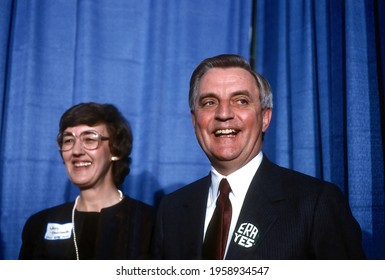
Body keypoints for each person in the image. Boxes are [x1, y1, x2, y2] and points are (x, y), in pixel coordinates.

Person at [152, 54, 365, 259]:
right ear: (194, 120)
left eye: (241, 101)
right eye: (209, 102)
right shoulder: (170, 211)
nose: (224, 114)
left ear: (265, 118)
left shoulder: (316, 203)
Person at [19, 102, 154, 260]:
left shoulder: (149, 223)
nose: (76, 151)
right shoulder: (39, 225)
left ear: (115, 150)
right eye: (68, 141)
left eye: (89, 139)